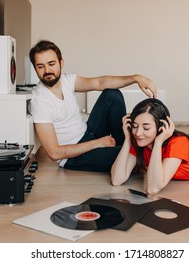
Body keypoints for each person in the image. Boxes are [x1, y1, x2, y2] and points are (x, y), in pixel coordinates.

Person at [29, 40, 157, 172]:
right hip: (72, 156)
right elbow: (55, 153)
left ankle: (123, 146)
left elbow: (100, 82)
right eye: (40, 66)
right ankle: (125, 153)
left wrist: (136, 78)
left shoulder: (67, 80)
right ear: (35, 68)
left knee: (112, 94)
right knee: (137, 156)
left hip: (87, 133)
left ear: (61, 63)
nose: (47, 70)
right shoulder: (40, 102)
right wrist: (98, 143)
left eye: (51, 64)